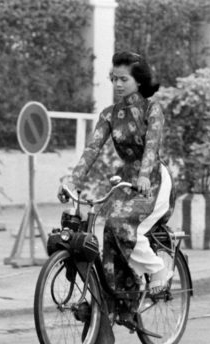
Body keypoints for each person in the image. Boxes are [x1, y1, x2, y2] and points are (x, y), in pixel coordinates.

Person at [59, 51, 175, 294]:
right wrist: (72, 180)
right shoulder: (109, 114)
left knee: (122, 224)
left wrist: (144, 174)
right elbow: (92, 149)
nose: (118, 84)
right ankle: (121, 297)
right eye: (114, 79)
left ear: (139, 81)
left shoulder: (152, 109)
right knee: (109, 233)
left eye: (124, 79)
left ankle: (158, 269)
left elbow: (152, 145)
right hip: (125, 181)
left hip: (152, 180)